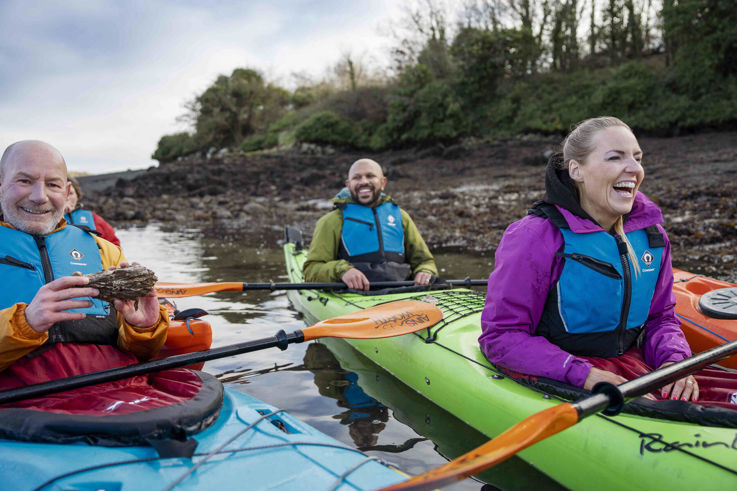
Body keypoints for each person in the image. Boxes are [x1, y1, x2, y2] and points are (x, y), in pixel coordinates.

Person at [479, 117, 737, 407]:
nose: (634, 168)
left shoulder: (652, 236)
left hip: (630, 361)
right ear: (576, 170)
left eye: (637, 158)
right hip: (561, 368)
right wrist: (583, 374)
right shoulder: (534, 237)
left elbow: (660, 319)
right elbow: (501, 337)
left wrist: (675, 362)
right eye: (615, 157)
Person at [0, 140, 168, 385]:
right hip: (22, 406)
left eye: (53, 184)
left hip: (119, 396)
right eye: (24, 181)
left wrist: (143, 328)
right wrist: (24, 323)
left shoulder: (106, 251)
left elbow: (142, 351)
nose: (39, 196)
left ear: (67, 193)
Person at [303, 158, 438, 290]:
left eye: (370, 176)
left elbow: (425, 261)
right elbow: (311, 270)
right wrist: (342, 271)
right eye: (357, 178)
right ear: (348, 185)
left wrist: (425, 271)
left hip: (401, 291)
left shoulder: (401, 217)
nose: (364, 182)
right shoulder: (331, 221)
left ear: (383, 182)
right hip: (355, 294)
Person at [64, 176, 121, 246]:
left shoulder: (94, 218)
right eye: (63, 194)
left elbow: (114, 244)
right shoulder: (48, 221)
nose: (67, 198)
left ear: (77, 195)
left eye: (71, 193)